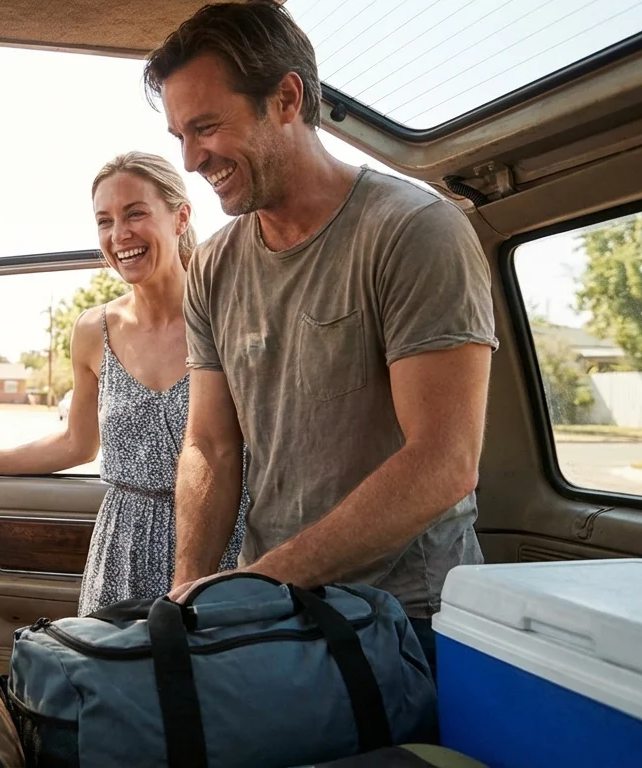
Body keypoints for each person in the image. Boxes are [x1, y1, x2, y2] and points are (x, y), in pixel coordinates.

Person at [152, 1, 498, 672]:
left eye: (207, 127)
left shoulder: (412, 231)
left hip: (407, 618)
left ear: (286, 97)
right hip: (281, 612)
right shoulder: (216, 267)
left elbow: (445, 462)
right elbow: (210, 445)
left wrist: (260, 583)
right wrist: (187, 597)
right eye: (179, 136)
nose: (192, 158)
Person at [0, 152, 249, 616]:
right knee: (117, 683)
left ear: (180, 217)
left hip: (220, 541)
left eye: (135, 212)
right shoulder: (94, 330)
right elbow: (78, 443)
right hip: (121, 548)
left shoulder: (232, 312)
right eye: (105, 220)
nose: (120, 235)